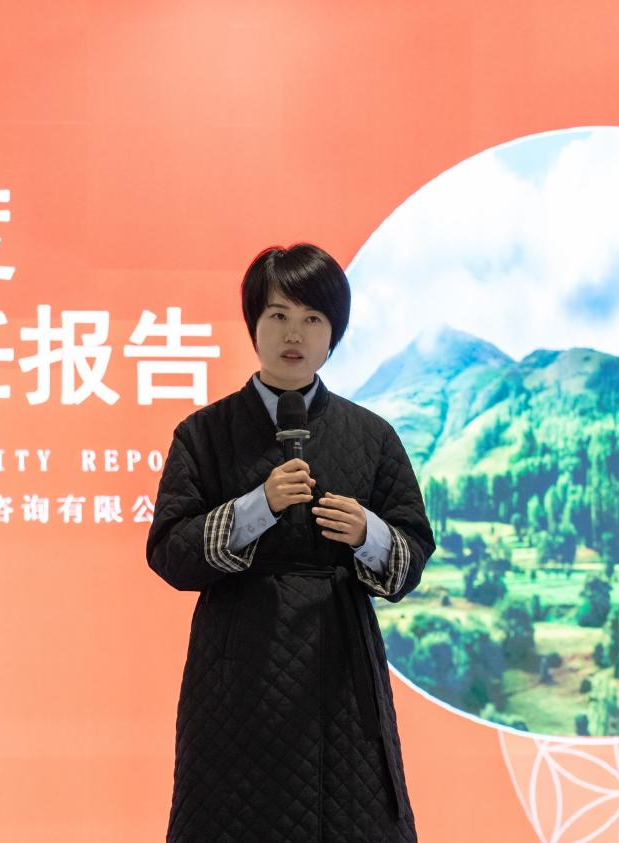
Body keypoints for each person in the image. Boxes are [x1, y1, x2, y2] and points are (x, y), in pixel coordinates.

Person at [146, 243, 435, 842]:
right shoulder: (202, 434)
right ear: (253, 324)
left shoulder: (372, 436)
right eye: (278, 315)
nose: (294, 334)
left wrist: (368, 533)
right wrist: (258, 506)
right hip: (237, 668)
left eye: (312, 318)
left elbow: (412, 557)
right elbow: (170, 553)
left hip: (341, 671)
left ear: (335, 333)